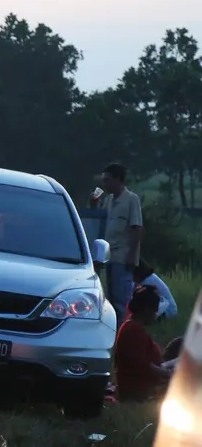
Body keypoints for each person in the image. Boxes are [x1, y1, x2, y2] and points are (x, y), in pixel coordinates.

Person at [114, 285, 182, 401]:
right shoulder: (132, 331)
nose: (155, 315)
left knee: (180, 343)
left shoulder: (133, 327)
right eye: (154, 311)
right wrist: (168, 374)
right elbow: (143, 366)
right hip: (139, 388)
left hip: (155, 372)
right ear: (146, 309)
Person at [99, 163, 143, 325]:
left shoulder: (131, 199)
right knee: (108, 300)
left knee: (121, 301)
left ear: (118, 180)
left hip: (122, 258)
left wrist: (131, 255)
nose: (104, 184)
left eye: (108, 180)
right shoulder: (108, 200)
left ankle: (123, 335)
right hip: (107, 258)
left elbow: (136, 228)